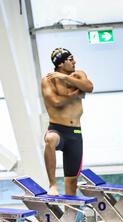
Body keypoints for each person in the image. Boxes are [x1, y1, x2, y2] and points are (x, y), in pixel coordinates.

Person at [41, 48, 93, 196]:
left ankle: (69, 215)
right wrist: (77, 93)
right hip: (57, 129)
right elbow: (56, 102)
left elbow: (89, 87)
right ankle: (52, 185)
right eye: (70, 59)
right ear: (60, 63)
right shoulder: (48, 80)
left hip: (75, 132)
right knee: (50, 139)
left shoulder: (78, 74)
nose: (74, 62)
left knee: (71, 182)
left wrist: (65, 78)